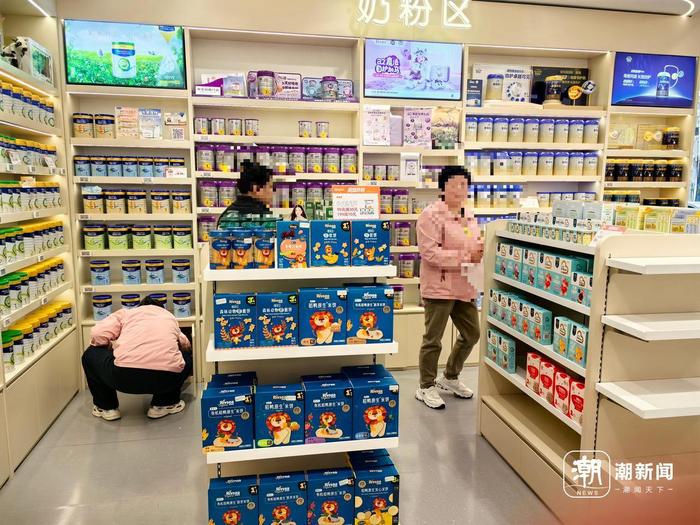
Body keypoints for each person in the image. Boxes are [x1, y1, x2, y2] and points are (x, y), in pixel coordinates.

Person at [415, 166, 484, 410]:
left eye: (464, 185)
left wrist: (480, 249)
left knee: (472, 334)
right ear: (443, 187)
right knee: (433, 339)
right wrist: (466, 256)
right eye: (454, 184)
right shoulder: (430, 215)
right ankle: (426, 386)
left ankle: (450, 377)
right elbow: (430, 253)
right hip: (439, 287)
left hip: (464, 286)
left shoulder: (468, 213)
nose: (460, 189)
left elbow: (474, 242)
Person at [81, 296, 193, 421]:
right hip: (166, 379)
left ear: (139, 307)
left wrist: (108, 346)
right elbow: (186, 344)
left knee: (90, 354)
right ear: (162, 308)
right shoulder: (169, 317)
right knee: (186, 356)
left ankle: (106, 407)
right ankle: (164, 403)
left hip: (124, 378)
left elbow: (97, 333)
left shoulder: (127, 313)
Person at [217, 160, 275, 229]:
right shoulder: (264, 217)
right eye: (270, 187)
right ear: (255, 188)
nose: (273, 191)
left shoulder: (226, 214)